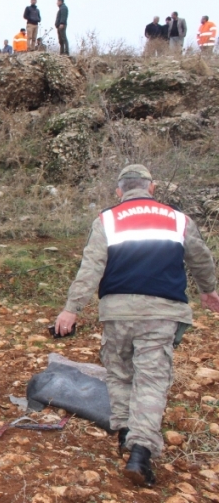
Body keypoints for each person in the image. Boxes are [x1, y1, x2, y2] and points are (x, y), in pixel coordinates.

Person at [55, 165, 219, 488]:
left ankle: (127, 433)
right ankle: (140, 453)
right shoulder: (178, 219)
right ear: (152, 188)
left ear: (119, 191)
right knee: (151, 379)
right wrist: (208, 289)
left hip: (117, 312)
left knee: (119, 373)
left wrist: (70, 310)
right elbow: (200, 257)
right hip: (161, 313)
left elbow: (90, 268)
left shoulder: (107, 220)